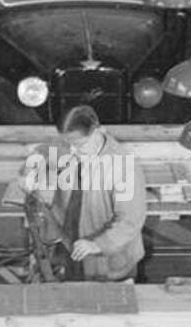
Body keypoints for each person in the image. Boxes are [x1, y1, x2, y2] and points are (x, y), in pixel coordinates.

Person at [14, 105, 147, 282]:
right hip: (72, 243)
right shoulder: (69, 146)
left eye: (80, 145)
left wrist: (97, 245)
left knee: (109, 303)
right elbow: (42, 153)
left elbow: (130, 221)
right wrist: (30, 171)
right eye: (69, 145)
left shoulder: (123, 167)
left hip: (109, 260)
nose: (73, 152)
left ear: (99, 131)